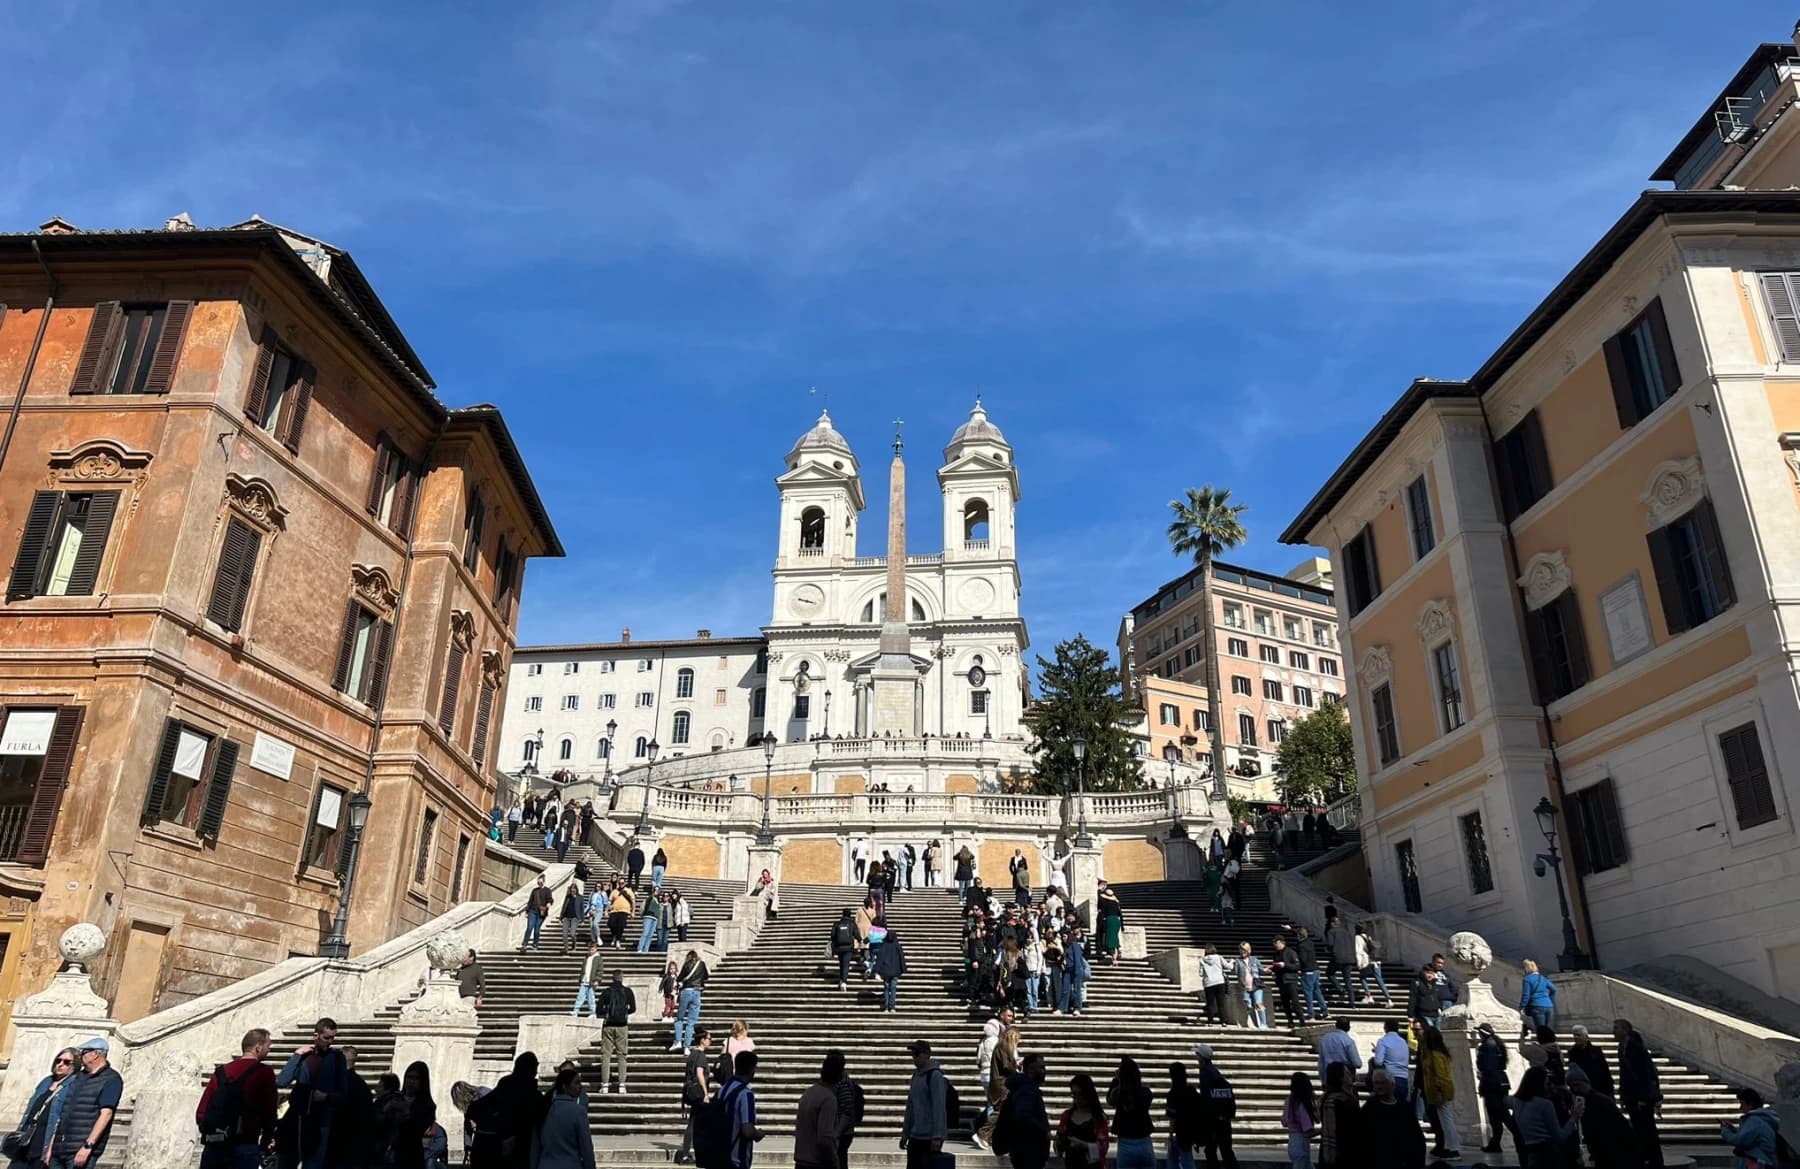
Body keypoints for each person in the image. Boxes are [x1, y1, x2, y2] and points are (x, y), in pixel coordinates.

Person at [197, 1029, 279, 1169]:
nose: (268, 1050)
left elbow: (201, 1113)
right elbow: (269, 1113)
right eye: (268, 1046)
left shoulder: (221, 1072)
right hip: (245, 1145)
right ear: (258, 1047)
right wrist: (265, 1142)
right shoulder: (264, 1073)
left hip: (214, 1147)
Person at [276, 1019, 346, 1169]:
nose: (330, 1042)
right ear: (316, 1035)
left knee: (314, 1162)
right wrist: (297, 1055)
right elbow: (282, 1081)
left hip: (321, 1118)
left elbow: (343, 1092)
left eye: (333, 1037)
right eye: (326, 1038)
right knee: (287, 1160)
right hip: (298, 1117)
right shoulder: (304, 1056)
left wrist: (326, 1096)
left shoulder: (336, 1058)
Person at [465, 1051, 542, 1169]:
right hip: (519, 1146)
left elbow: (478, 1107)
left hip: (499, 1142)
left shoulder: (506, 1084)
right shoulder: (530, 1092)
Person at [12, 1048, 78, 1169]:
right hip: (27, 1137)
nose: (60, 1064)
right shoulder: (47, 1081)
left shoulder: (73, 1085)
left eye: (67, 1062)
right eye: (58, 1061)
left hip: (44, 1140)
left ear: (75, 1066)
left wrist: (52, 1147)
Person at [1614, 1018, 1664, 1169]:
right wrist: (1623, 1096)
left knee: (1647, 1128)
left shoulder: (1635, 1048)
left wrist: (1643, 1098)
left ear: (1625, 1030)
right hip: (1631, 1096)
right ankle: (1645, 1157)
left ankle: (1654, 1160)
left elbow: (1645, 1074)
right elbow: (1624, 1075)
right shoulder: (1622, 1047)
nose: (1613, 1031)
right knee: (1638, 1128)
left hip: (1641, 1097)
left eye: (1616, 1028)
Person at [1513, 1066, 1581, 1169]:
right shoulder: (1545, 1104)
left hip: (1530, 1151)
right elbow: (1560, 1136)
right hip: (1549, 1153)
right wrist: (1573, 1118)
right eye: (1547, 1082)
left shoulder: (1517, 1101)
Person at [1568, 1065, 1634, 1169]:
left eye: (1577, 1085)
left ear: (1586, 1083)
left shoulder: (1600, 1101)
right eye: (1571, 1087)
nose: (1575, 1089)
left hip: (1612, 1149)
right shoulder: (1591, 1101)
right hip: (1604, 1150)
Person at [1358, 1068, 1425, 1169]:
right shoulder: (1369, 1108)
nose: (1379, 1087)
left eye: (1383, 1083)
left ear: (1392, 1085)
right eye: (1376, 1083)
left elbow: (1416, 1137)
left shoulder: (1404, 1107)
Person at [534, 1064, 596, 1169]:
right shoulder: (578, 1111)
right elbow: (586, 1148)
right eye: (576, 1083)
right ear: (565, 1086)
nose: (580, 1086)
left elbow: (535, 1145)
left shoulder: (545, 1108)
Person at [996, 1052, 1051, 1169]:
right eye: (1041, 1067)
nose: (1044, 1071)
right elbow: (1023, 1117)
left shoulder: (1022, 1088)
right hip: (1029, 1150)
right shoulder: (1027, 1091)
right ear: (1030, 1070)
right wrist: (1042, 1129)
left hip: (1022, 1150)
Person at [901, 1042, 948, 1169]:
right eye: (913, 1055)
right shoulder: (916, 1076)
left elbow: (939, 1107)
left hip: (929, 1137)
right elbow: (910, 1107)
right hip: (915, 1135)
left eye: (917, 1054)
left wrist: (938, 1136)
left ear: (927, 1054)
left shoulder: (935, 1076)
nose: (914, 1058)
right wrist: (905, 1133)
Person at [673, 1029, 715, 1164]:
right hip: (698, 1094)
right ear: (702, 1040)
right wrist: (706, 1093)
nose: (710, 1041)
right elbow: (699, 1073)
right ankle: (689, 1153)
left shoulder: (692, 1054)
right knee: (698, 1123)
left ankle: (687, 1152)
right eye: (709, 1038)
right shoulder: (701, 1056)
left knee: (693, 1122)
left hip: (690, 1092)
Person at [1191, 1045, 1236, 1169]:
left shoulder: (1205, 1072)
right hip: (1224, 1119)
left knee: (1211, 1150)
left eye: (1198, 1054)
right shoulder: (1215, 1072)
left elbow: (1206, 1098)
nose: (1196, 1057)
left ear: (1202, 1057)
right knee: (1226, 1150)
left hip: (1212, 1119)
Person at [1106, 1057, 1155, 1169]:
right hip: (1144, 1141)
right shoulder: (1145, 1093)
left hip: (1125, 1142)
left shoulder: (1118, 1094)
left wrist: (1117, 1081)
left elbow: (1110, 1100)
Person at [795, 1053, 842, 1169]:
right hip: (817, 1162)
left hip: (802, 1160)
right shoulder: (828, 1099)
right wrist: (834, 1160)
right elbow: (824, 1137)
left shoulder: (808, 1093)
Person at [1419, 1025, 1459, 1158]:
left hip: (1440, 1093)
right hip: (1436, 1092)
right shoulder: (1435, 1053)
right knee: (1444, 1121)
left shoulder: (1436, 1055)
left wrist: (1440, 1092)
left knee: (1446, 1121)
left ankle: (1453, 1148)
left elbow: (1440, 1076)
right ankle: (1448, 1147)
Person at [1056, 1073, 1109, 1169]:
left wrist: (1083, 1145)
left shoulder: (1099, 1118)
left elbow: (1103, 1148)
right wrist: (1059, 1143)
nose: (1077, 1099)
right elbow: (1059, 1147)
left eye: (1081, 1094)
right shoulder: (1067, 1115)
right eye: (1074, 1094)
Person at [1721, 1086, 1782, 1169]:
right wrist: (1733, 1130)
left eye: (1742, 1104)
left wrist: (1725, 1131)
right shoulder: (1761, 1119)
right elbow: (1749, 1136)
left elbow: (1740, 1141)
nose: (1740, 1108)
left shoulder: (1754, 1120)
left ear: (1750, 1104)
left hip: (1759, 1163)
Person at [1475, 1024, 1513, 1155]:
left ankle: (1515, 1136)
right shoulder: (1497, 1043)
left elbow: (1487, 1065)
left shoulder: (1487, 1046)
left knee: (1499, 1114)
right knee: (1500, 1114)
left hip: (1492, 1083)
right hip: (1501, 1080)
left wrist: (1482, 1073)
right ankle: (1495, 1142)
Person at [597, 972, 636, 1094]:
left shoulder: (606, 992)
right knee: (622, 1055)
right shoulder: (628, 991)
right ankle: (622, 1084)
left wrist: (608, 1013)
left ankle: (604, 1085)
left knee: (606, 1055)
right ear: (621, 978)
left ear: (612, 978)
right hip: (622, 1026)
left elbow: (598, 1010)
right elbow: (633, 1008)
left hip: (608, 1026)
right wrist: (623, 1013)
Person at [724, 1051, 764, 1169]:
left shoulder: (723, 1090)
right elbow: (747, 1130)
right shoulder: (746, 1094)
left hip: (720, 1155)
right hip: (737, 1160)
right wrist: (758, 1134)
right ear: (752, 1069)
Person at [395, 1061, 436, 1169]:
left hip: (410, 1155)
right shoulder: (394, 1097)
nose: (411, 1081)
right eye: (409, 1077)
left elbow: (417, 1129)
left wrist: (405, 1111)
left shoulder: (427, 1105)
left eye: (416, 1078)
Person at [1316, 1063, 1358, 1168]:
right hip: (1342, 1152)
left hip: (1329, 1151)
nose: (1351, 1077)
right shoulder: (1341, 1101)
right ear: (1341, 1078)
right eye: (1347, 1074)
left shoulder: (1326, 1098)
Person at [672, 949, 710, 1053]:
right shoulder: (701, 964)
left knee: (679, 1018)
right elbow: (706, 976)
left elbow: (680, 978)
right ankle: (687, 1047)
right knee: (691, 1022)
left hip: (686, 992)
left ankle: (678, 1041)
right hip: (697, 993)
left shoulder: (686, 964)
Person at [1370, 1019, 1412, 1105]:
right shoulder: (1403, 1042)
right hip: (1403, 1078)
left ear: (1385, 1028)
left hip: (1388, 1079)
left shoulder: (1383, 1041)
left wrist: (1377, 1052)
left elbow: (1378, 1062)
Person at [1280, 1072, 1316, 1169]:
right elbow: (1307, 1129)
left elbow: (1284, 1121)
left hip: (1292, 1141)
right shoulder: (1301, 1105)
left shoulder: (1289, 1101)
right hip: (1301, 1143)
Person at [1568, 1025, 1614, 1098]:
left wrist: (1609, 1088)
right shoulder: (1572, 1052)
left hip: (1598, 1086)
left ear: (1586, 1036)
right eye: (1574, 1035)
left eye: (1578, 1035)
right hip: (1581, 1089)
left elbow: (1605, 1070)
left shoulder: (1596, 1051)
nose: (1576, 1037)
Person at [1353, 924, 1392, 1006]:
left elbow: (1358, 951)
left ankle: (1368, 996)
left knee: (1362, 977)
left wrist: (1359, 963)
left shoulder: (1358, 938)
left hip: (1366, 961)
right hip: (1376, 961)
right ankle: (1388, 999)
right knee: (1379, 979)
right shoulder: (1368, 937)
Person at [1293, 929, 1327, 1019]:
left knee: (1308, 993)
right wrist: (1291, 929)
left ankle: (1310, 1012)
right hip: (1315, 969)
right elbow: (1301, 934)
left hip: (1307, 971)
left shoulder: (1302, 946)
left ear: (1299, 936)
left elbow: (1303, 959)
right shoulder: (1310, 943)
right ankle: (1324, 1010)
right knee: (1317, 991)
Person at [1269, 938, 1303, 1028]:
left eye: (1276, 943)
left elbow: (1297, 966)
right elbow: (1275, 965)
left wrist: (1285, 965)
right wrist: (1273, 971)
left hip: (1291, 980)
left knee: (1295, 1002)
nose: (1275, 945)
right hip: (1281, 981)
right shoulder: (1276, 954)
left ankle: (1301, 1020)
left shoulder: (1290, 952)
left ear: (1281, 942)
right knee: (1285, 1003)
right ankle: (1290, 1021)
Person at [873, 924, 908, 1012]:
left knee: (886, 988)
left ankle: (885, 1007)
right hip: (895, 971)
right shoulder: (897, 946)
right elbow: (901, 958)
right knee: (893, 989)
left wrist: (876, 970)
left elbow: (879, 959)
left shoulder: (883, 946)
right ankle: (892, 1007)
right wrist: (903, 969)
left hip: (885, 971)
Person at [1316, 1018, 1360, 1086]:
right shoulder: (1348, 1041)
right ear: (1348, 1028)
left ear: (1336, 1026)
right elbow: (1357, 1063)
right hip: (1343, 1080)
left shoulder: (1325, 1039)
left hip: (1328, 1078)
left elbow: (1321, 1062)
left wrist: (1323, 1080)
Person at [1232, 943, 1265, 1029]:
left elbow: (1261, 970)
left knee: (1258, 1003)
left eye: (1244, 949)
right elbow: (1235, 973)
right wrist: (1233, 964)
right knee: (1249, 1006)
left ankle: (1263, 1023)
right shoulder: (1238, 961)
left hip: (1256, 985)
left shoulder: (1254, 959)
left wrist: (1269, 970)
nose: (1242, 951)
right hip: (1245, 987)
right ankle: (1255, 1024)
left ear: (1248, 950)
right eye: (1241, 949)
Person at [1518, 958, 1556, 1033]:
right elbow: (1554, 989)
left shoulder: (1527, 979)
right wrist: (1550, 1001)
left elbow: (1526, 995)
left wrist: (1522, 1007)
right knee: (1546, 1029)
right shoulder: (1542, 978)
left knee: (1541, 1030)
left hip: (1537, 1007)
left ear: (1526, 969)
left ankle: (1543, 1044)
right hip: (1549, 1006)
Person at [1096, 882, 1125, 965]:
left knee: (1111, 941)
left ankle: (1114, 959)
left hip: (1110, 920)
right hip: (1117, 921)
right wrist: (1123, 926)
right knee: (1115, 939)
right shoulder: (1116, 903)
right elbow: (1120, 915)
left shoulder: (1105, 901)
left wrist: (1099, 890)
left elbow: (1099, 902)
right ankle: (1116, 955)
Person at [1199, 946, 1229, 1025]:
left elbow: (1201, 973)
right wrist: (1232, 962)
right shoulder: (1219, 957)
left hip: (1208, 983)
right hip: (1219, 982)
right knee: (1221, 1003)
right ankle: (1223, 1021)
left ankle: (1210, 1021)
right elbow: (1229, 966)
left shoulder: (1202, 959)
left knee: (1210, 1003)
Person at [572, 942, 603, 1018]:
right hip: (585, 980)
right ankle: (576, 1010)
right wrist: (581, 978)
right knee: (580, 997)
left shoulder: (598, 958)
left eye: (592, 950)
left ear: (596, 949)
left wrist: (597, 980)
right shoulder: (586, 958)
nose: (590, 951)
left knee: (591, 998)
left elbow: (600, 971)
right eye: (589, 950)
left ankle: (593, 1012)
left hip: (592, 982)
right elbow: (583, 969)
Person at [522, 877, 553, 952]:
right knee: (529, 927)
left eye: (541, 882)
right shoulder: (534, 890)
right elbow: (530, 901)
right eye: (538, 882)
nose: (539, 884)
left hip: (541, 913)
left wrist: (549, 903)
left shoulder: (547, 890)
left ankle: (535, 944)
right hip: (532, 911)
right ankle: (524, 944)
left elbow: (550, 899)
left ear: (544, 882)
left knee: (537, 929)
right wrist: (527, 911)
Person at [559, 883, 586, 953]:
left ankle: (574, 945)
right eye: (571, 890)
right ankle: (566, 949)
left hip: (575, 917)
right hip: (566, 917)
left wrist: (582, 920)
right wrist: (560, 918)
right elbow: (564, 907)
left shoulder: (580, 898)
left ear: (576, 890)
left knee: (572, 933)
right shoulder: (567, 897)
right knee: (564, 934)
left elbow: (582, 909)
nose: (572, 892)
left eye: (574, 890)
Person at [608, 883, 634, 949]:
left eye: (622, 883)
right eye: (620, 883)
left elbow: (633, 901)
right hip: (614, 910)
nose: (621, 884)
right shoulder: (614, 891)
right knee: (611, 923)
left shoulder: (628, 891)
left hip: (624, 910)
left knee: (621, 925)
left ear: (624, 884)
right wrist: (607, 909)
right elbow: (609, 901)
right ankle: (614, 935)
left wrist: (632, 912)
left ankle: (618, 940)